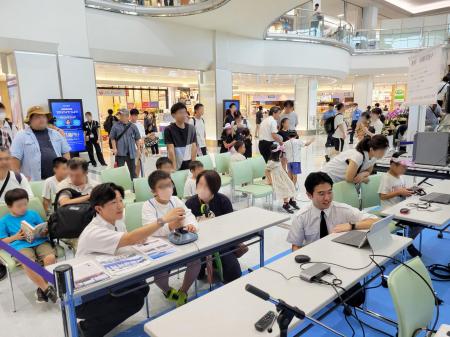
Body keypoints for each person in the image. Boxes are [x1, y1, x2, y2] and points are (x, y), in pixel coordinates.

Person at [76, 182, 185, 337]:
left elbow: (128, 239)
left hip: (108, 277)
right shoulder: (94, 231)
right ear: (99, 209)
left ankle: (94, 325)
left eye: (120, 200)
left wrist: (137, 239)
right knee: (134, 299)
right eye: (113, 202)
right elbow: (129, 238)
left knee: (141, 287)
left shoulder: (117, 221)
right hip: (87, 295)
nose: (120, 206)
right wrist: (163, 220)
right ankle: (87, 330)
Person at [142, 170, 200, 306]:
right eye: (162, 186)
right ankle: (167, 290)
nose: (168, 189)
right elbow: (150, 228)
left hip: (180, 243)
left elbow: (189, 215)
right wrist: (170, 225)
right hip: (160, 247)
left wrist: (191, 225)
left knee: (196, 261)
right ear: (153, 191)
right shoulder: (148, 206)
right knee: (159, 275)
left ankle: (183, 291)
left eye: (169, 184)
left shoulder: (175, 200)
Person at [287, 172, 378, 250]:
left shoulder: (343, 210)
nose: (327, 198)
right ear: (309, 195)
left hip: (339, 253)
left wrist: (352, 226)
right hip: (313, 257)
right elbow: (296, 246)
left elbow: (376, 221)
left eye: (330, 192)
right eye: (321, 194)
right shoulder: (301, 217)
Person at [0, 188, 58, 303]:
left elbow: (43, 227)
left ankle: (42, 289)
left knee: (50, 258)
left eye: (25, 204)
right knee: (28, 262)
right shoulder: (4, 221)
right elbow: (2, 242)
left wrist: (44, 231)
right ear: (9, 206)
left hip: (40, 241)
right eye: (19, 206)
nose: (23, 208)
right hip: (20, 246)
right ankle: (46, 289)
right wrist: (15, 237)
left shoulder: (32, 214)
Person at [185, 170, 243, 283]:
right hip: (199, 245)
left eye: (206, 186)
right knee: (199, 275)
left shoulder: (223, 201)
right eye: (200, 184)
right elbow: (186, 229)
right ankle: (209, 266)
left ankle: (218, 263)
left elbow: (231, 226)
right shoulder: (190, 204)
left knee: (234, 274)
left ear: (214, 188)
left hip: (221, 242)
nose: (201, 188)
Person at [378, 153, 422, 257]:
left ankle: (405, 241)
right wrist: (399, 192)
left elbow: (401, 190)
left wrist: (411, 189)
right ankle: (407, 243)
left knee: (421, 223)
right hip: (390, 211)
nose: (405, 169)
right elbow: (382, 196)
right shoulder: (386, 178)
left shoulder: (401, 177)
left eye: (406, 167)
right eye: (403, 167)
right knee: (417, 223)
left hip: (400, 208)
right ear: (393, 165)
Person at [10, 106, 71, 181]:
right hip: (33, 181)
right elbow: (15, 159)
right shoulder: (21, 136)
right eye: (37, 117)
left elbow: (65, 152)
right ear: (30, 120)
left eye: (43, 116)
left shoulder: (56, 134)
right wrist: (18, 178)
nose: (41, 119)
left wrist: (66, 171)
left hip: (57, 180)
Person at [323, 135, 389, 183]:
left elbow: (369, 171)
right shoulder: (358, 156)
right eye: (381, 151)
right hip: (328, 177)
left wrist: (363, 174)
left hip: (340, 180)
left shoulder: (373, 157)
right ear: (371, 149)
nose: (383, 153)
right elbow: (349, 178)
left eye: (385, 150)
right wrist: (364, 179)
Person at [265, 143, 299, 213]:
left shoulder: (278, 159)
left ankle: (292, 201)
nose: (282, 154)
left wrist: (285, 172)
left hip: (281, 175)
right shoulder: (271, 162)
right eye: (281, 152)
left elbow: (281, 168)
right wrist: (270, 181)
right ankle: (285, 204)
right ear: (278, 153)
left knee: (291, 184)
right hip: (275, 177)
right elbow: (266, 171)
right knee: (285, 188)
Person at [164, 103, 197, 171]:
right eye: (180, 112)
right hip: (177, 164)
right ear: (173, 115)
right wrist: (174, 167)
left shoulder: (191, 128)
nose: (184, 115)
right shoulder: (169, 129)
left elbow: (194, 147)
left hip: (189, 164)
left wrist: (193, 165)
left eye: (184, 112)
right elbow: (171, 150)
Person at [110, 109, 141, 179]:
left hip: (131, 154)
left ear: (127, 116)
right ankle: (121, 188)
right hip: (120, 154)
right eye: (119, 115)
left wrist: (138, 149)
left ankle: (134, 187)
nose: (120, 117)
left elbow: (137, 138)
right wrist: (114, 148)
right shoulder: (115, 126)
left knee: (133, 172)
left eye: (121, 115)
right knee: (120, 173)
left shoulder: (133, 126)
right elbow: (112, 138)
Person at [130, 109, 146, 177]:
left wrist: (142, 143)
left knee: (140, 163)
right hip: (133, 148)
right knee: (134, 164)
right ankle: (134, 178)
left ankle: (137, 177)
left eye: (136, 115)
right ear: (130, 116)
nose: (135, 117)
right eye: (133, 115)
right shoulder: (128, 125)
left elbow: (143, 135)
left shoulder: (140, 125)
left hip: (141, 147)